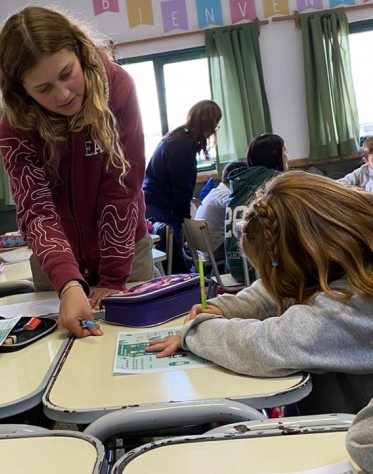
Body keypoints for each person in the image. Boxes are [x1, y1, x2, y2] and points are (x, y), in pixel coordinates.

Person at [145, 173, 373, 416]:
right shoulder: (342, 266)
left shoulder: (356, 304)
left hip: (346, 443)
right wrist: (227, 307)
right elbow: (277, 287)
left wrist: (197, 332)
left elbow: (271, 343)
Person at [0, 5, 155, 338]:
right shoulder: (15, 125)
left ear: (79, 52)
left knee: (135, 349)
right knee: (65, 354)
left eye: (67, 74)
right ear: (21, 90)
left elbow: (121, 189)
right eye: (43, 89)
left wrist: (111, 279)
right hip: (55, 260)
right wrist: (67, 283)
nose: (63, 94)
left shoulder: (117, 88)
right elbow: (37, 211)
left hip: (125, 254)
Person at [142, 100, 222, 272]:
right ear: (208, 124)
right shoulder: (184, 146)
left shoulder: (176, 137)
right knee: (175, 266)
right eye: (215, 125)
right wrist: (183, 220)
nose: (214, 131)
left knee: (168, 263)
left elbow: (172, 180)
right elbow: (181, 190)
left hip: (151, 202)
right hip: (161, 208)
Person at [224, 133, 287, 282]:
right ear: (276, 155)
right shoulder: (273, 180)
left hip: (235, 266)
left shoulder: (238, 182)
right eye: (285, 151)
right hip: (258, 268)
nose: (287, 156)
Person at [194, 160, 247, 263]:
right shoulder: (225, 194)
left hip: (205, 250)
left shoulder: (215, 192)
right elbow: (242, 206)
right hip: (215, 250)